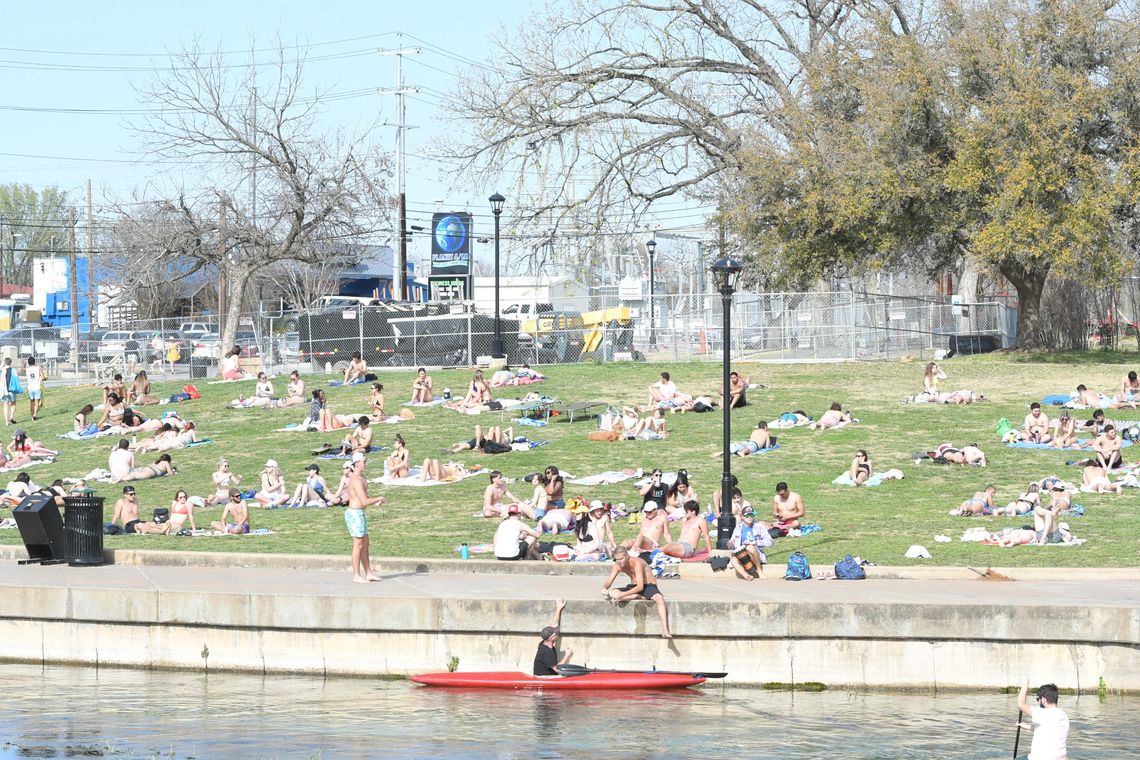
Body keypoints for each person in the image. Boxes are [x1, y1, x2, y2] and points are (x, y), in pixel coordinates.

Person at [602, 546, 672, 638]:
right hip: (634, 587)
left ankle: (665, 630)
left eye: (621, 559)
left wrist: (623, 595)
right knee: (612, 592)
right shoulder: (617, 566)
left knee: (659, 598)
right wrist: (604, 588)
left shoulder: (637, 562)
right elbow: (609, 582)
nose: (619, 561)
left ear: (627, 556)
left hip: (648, 585)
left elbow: (640, 586)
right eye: (617, 559)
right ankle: (639, 596)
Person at [344, 452, 386, 583]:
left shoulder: (363, 477)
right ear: (357, 464)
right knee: (358, 544)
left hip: (360, 513)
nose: (366, 463)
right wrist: (379, 498)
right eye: (364, 461)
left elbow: (364, 501)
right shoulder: (355, 480)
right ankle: (356, 575)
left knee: (365, 543)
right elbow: (363, 501)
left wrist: (375, 502)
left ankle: (368, 573)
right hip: (355, 514)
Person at [1017, 680, 1069, 759]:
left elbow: (1020, 704)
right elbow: (1046, 729)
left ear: (1044, 700)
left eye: (1038, 699)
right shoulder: (1063, 715)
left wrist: (1025, 683)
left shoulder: (1044, 713)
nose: (1038, 703)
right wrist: (1026, 726)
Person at [727, 506, 773, 580]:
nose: (749, 517)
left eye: (751, 515)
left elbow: (770, 542)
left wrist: (756, 543)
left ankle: (759, 571)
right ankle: (746, 576)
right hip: (742, 555)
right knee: (733, 560)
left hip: (755, 554)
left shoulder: (759, 526)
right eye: (747, 515)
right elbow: (732, 541)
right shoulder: (738, 527)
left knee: (750, 548)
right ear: (742, 517)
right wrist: (730, 544)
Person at [533, 599, 573, 675]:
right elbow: (557, 669)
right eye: (556, 633)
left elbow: (554, 624)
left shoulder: (543, 642)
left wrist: (558, 608)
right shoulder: (547, 652)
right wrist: (567, 655)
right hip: (544, 678)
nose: (558, 633)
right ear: (551, 638)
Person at [1, 357, 20, 425]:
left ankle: (6, 422)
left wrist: (2, 364)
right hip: (12, 390)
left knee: (5, 405)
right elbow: (17, 377)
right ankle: (11, 416)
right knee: (13, 403)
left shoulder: (2, 370)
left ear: (5, 363)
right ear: (11, 363)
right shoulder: (13, 369)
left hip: (4, 390)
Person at [24, 357, 42, 421]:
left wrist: (25, 363)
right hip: (37, 387)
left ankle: (32, 416)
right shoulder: (38, 368)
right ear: (34, 362)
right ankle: (35, 414)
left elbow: (23, 368)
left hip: (30, 387)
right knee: (36, 402)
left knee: (31, 402)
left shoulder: (27, 369)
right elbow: (42, 376)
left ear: (28, 363)